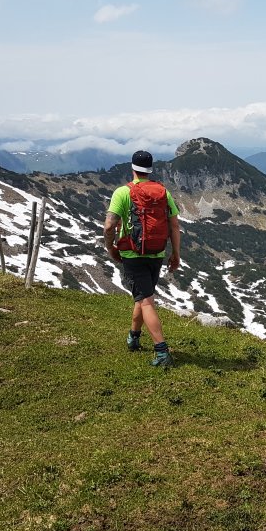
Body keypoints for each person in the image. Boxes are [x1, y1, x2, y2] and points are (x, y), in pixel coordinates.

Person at [103, 150, 182, 368]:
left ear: (132, 168)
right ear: (150, 169)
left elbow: (109, 226)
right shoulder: (163, 192)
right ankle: (134, 336)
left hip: (132, 254)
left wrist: (110, 248)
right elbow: (174, 225)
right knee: (143, 296)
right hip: (156, 253)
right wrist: (176, 254)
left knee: (146, 301)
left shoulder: (123, 192)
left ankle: (162, 351)